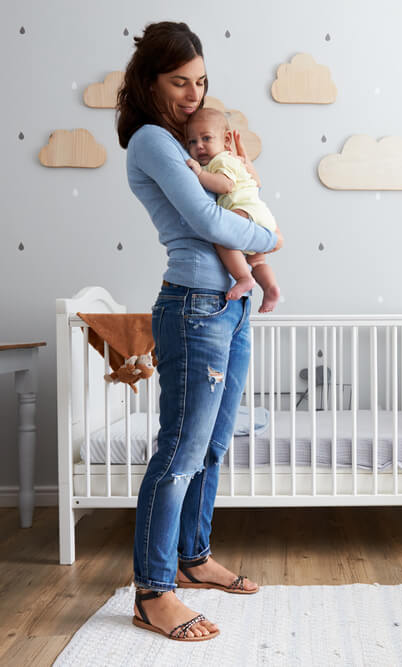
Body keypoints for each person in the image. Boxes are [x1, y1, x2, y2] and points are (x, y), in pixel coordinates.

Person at [116, 21, 282, 642]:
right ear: (149, 82)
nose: (192, 94)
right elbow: (211, 214)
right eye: (179, 81)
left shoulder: (196, 140)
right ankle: (153, 591)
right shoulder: (154, 142)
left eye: (201, 81)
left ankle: (192, 558)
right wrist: (270, 238)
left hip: (228, 305)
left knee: (211, 444)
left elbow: (236, 189)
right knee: (180, 450)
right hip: (193, 306)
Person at [185, 108, 281, 313]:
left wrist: (200, 174)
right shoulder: (232, 160)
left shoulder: (221, 160)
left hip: (244, 209)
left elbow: (225, 185)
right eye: (192, 141)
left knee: (221, 236)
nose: (199, 146)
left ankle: (244, 277)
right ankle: (270, 287)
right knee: (257, 259)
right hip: (260, 214)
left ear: (226, 140)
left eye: (206, 138)